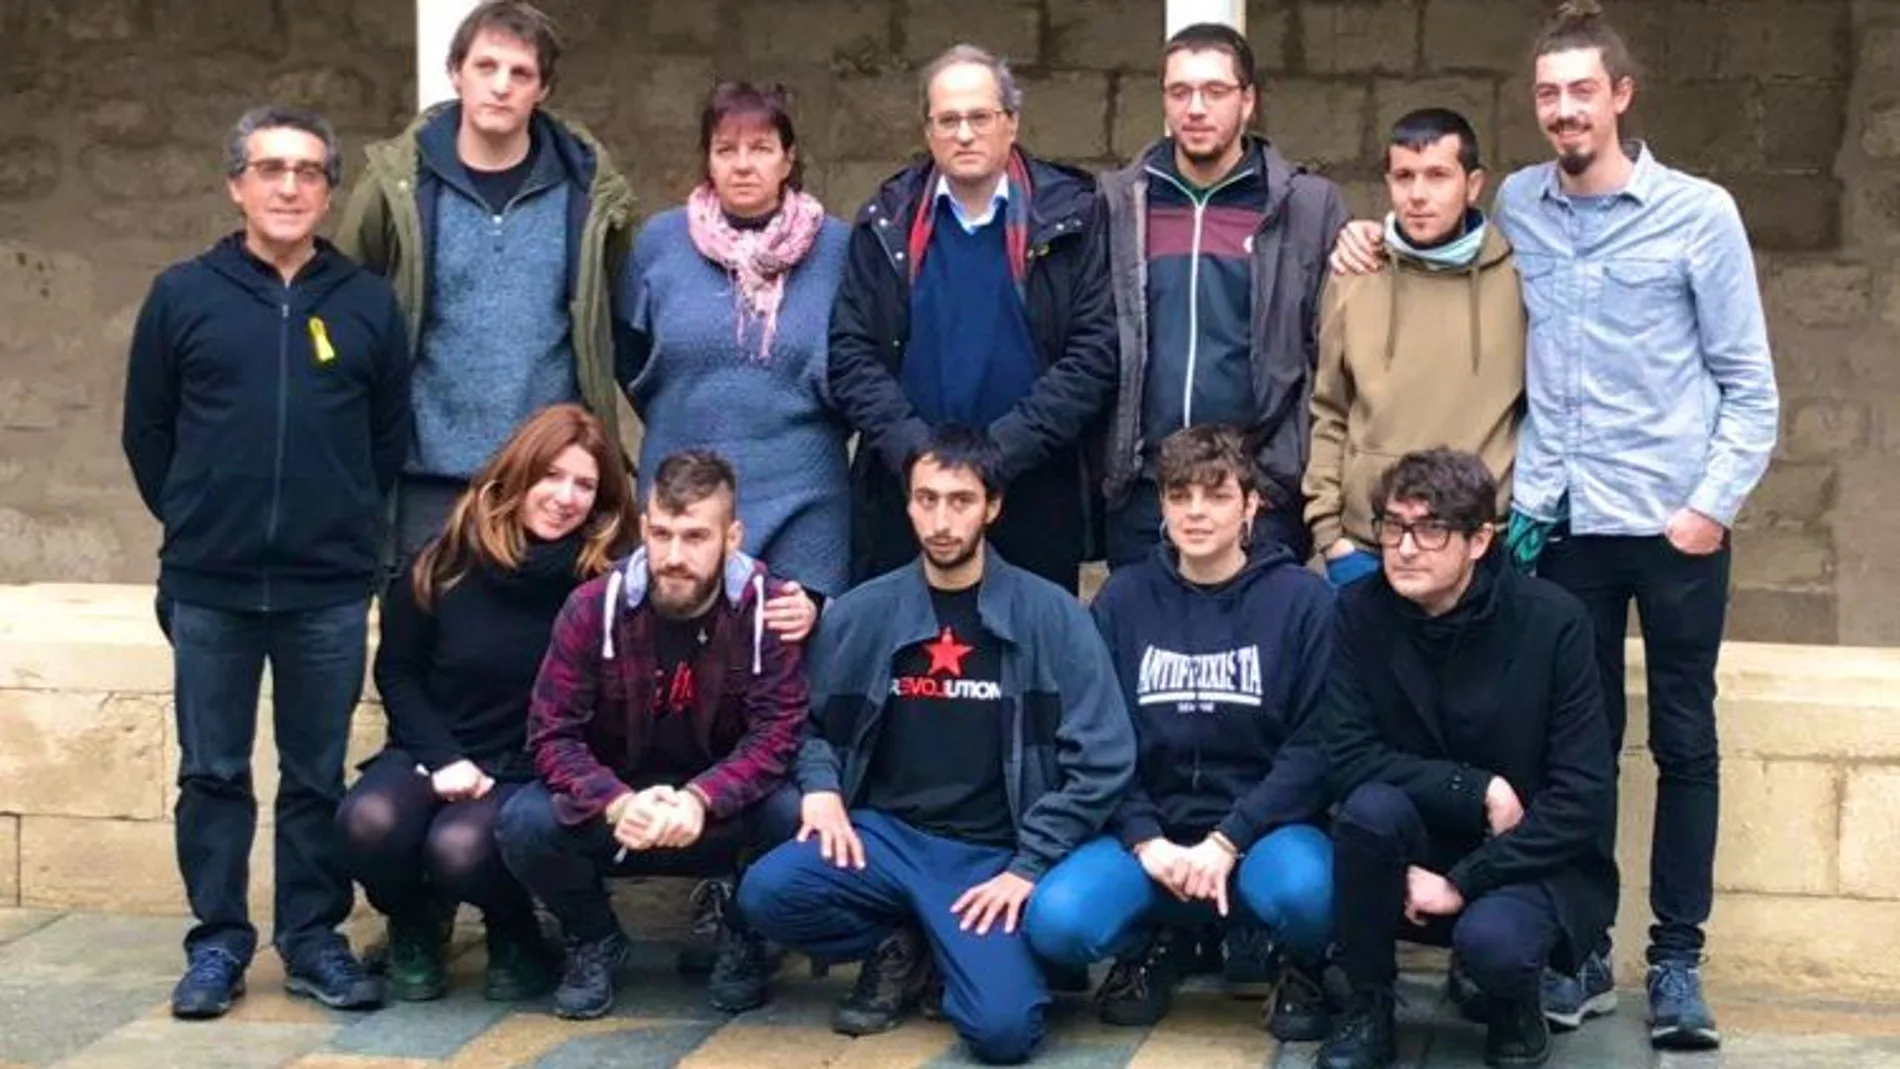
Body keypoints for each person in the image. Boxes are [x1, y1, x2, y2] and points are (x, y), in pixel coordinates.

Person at [1329, 1, 1777, 1048]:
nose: (1564, 109)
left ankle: (1675, 958)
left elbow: (1746, 383)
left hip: (1669, 525)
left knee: (1684, 741)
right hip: (1554, 524)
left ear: (1620, 96)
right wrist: (1363, 232)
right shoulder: (1522, 205)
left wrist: (1706, 509)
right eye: (1547, 93)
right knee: (1580, 749)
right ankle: (1577, 947)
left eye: (1583, 90)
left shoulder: (1697, 213)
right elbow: (1425, 227)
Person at [121, 105, 410, 1019]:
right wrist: (203, 520)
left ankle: (314, 936)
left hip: (325, 587)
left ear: (330, 189)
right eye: (270, 168)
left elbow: (386, 441)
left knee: (316, 774)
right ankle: (216, 943)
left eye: (309, 171)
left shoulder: (365, 302)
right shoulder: (182, 295)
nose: (290, 186)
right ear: (237, 183)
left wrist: (343, 529)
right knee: (212, 772)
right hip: (211, 585)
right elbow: (148, 433)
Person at [737, 426, 1136, 1065]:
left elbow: (1106, 759)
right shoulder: (865, 613)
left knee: (1004, 1034)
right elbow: (805, 724)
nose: (942, 520)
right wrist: (821, 789)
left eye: (960, 500)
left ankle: (955, 950)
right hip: (886, 842)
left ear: (993, 506)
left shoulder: (1051, 615)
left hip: (992, 854)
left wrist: (1029, 865)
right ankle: (904, 939)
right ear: (908, 503)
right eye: (927, 499)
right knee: (766, 893)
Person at [1023, 426, 1335, 1040]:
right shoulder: (1124, 598)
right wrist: (1143, 837)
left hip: (1262, 837)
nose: (1195, 512)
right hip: (1153, 839)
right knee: (1057, 921)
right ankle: (1166, 936)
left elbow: (1317, 745)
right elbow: (1097, 735)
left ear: (1250, 507)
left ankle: (1292, 957)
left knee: (1312, 897)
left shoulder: (1305, 602)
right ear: (1161, 506)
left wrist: (1230, 838)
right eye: (1179, 495)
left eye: (1216, 496)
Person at [1317, 450, 1616, 1069]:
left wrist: (1466, 881)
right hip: (1416, 838)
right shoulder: (1359, 612)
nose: (1403, 548)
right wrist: (1473, 788)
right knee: (1367, 811)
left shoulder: (1553, 622)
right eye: (1392, 527)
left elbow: (1583, 794)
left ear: (1479, 540)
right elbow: (1347, 755)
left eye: (1430, 530)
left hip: (1528, 854)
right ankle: (1368, 1004)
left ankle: (1513, 1001)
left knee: (1496, 946)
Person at [495, 450, 812, 1020]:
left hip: (718, 808)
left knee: (793, 812)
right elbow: (551, 734)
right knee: (524, 821)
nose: (673, 556)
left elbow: (778, 734)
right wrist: (614, 802)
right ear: (643, 527)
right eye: (661, 534)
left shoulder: (767, 610)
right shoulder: (593, 608)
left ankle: (743, 932)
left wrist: (701, 798)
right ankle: (593, 936)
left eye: (695, 537)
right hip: (619, 807)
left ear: (732, 536)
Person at [335, 404, 636, 1003]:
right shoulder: (443, 562)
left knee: (460, 847)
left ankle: (516, 932)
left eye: (584, 484)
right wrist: (441, 758)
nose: (564, 496)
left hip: (533, 764)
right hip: (437, 749)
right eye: (551, 475)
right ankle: (414, 923)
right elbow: (397, 671)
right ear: (518, 474)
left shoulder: (605, 584)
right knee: (366, 824)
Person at [338, 0, 634, 570]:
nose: (501, 86)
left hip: (547, 484)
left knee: (541, 655)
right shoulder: (396, 188)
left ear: (542, 88)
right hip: (428, 481)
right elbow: (349, 317)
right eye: (486, 67)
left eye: (520, 73)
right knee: (416, 648)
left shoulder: (587, 194)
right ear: (456, 73)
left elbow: (624, 322)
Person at [827, 44, 1116, 594]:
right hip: (906, 497)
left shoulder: (1074, 216)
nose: (964, 134)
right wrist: (920, 458)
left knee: (1026, 663)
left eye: (980, 117)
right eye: (948, 120)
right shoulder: (885, 219)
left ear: (1011, 123)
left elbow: (1094, 355)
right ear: (928, 131)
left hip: (1033, 490)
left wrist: (996, 457)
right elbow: (850, 353)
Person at [1099, 22, 1347, 570]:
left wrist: (1289, 469)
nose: (1195, 108)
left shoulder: (1305, 207)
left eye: (1215, 91)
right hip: (1148, 488)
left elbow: (1329, 351)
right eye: (1179, 91)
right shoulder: (1121, 202)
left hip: (1260, 487)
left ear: (1249, 100)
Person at [619, 81, 853, 599]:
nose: (743, 165)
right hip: (682, 497)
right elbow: (628, 354)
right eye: (726, 149)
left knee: (792, 665)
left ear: (788, 159)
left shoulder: (840, 251)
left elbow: (865, 364)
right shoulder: (660, 244)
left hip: (806, 496)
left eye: (761, 149)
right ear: (708, 159)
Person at [1305, 108, 1524, 590]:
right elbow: (1329, 410)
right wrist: (1328, 534)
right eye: (1404, 176)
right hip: (1368, 548)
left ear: (1473, 185)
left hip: (1478, 550)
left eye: (1438, 176)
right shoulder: (1355, 274)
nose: (1418, 194)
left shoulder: (1517, 279)